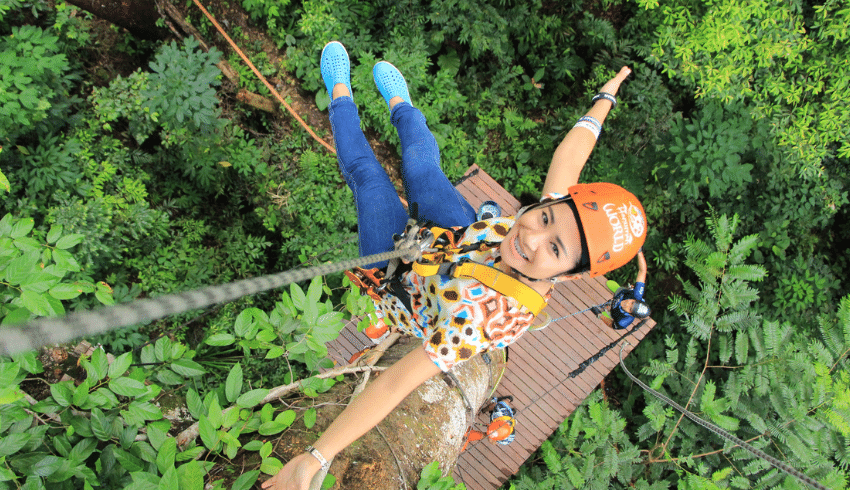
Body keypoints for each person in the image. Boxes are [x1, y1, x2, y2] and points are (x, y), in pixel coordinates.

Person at [262, 41, 645, 490]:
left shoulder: (482, 319)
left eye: (555, 249)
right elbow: (570, 155)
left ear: (569, 274)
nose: (530, 236)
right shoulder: (550, 221)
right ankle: (401, 103)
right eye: (543, 216)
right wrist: (607, 96)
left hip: (403, 280)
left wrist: (316, 456)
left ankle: (340, 91)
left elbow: (394, 385)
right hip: (461, 237)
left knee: (368, 175)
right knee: (423, 167)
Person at [595, 249, 650, 329]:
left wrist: (600, 316)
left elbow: (612, 324)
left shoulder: (623, 321)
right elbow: (642, 271)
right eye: (632, 302)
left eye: (630, 308)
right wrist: (639, 251)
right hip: (622, 293)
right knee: (618, 289)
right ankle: (617, 289)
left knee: (608, 314)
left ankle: (606, 311)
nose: (627, 304)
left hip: (614, 312)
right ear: (636, 299)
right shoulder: (637, 294)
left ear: (631, 315)